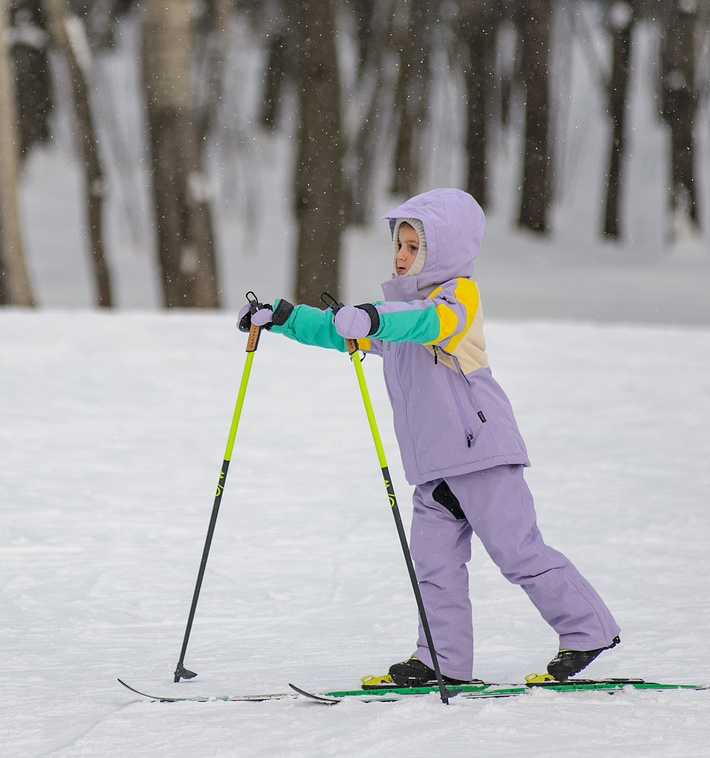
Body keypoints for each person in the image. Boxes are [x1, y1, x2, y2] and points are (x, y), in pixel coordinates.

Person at [236, 188, 620, 684]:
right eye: (398, 245)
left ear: (443, 250)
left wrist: (375, 317)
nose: (400, 256)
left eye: (414, 248)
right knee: (434, 568)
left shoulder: (458, 299)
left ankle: (589, 630)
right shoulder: (393, 314)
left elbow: (425, 323)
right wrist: (285, 317)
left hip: (481, 455)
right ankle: (443, 660)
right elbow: (340, 331)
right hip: (433, 470)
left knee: (519, 553)